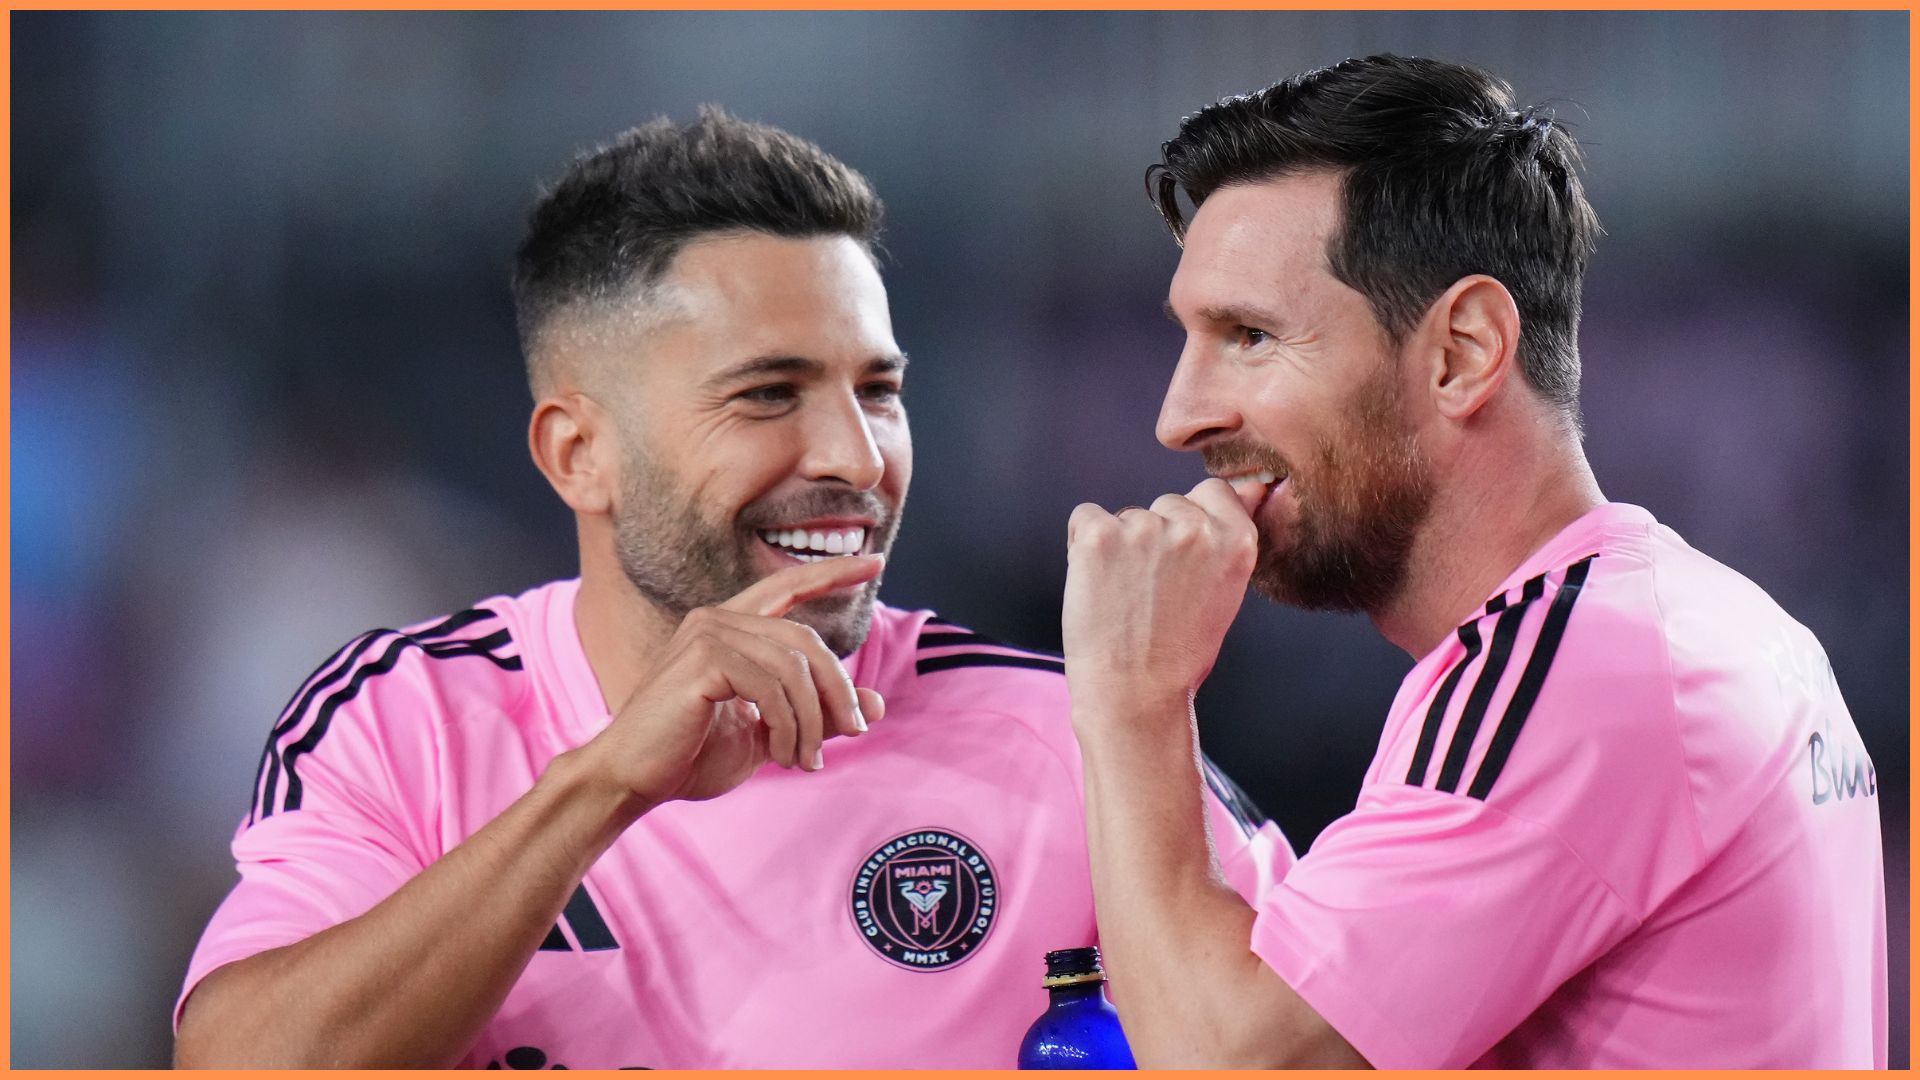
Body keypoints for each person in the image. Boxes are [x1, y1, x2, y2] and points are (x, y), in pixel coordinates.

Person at [171, 109, 1286, 1069]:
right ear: (577, 455)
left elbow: (1332, 1039)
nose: (854, 456)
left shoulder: (1073, 740)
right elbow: (238, 1059)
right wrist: (604, 785)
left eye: (878, 390)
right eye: (767, 396)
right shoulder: (402, 720)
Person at [1060, 54, 1886, 1068]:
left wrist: (1130, 700)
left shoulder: (1580, 669)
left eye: (1249, 336)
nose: (1180, 416)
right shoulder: (1712, 623)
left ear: (1462, 350)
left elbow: (1236, 1061)